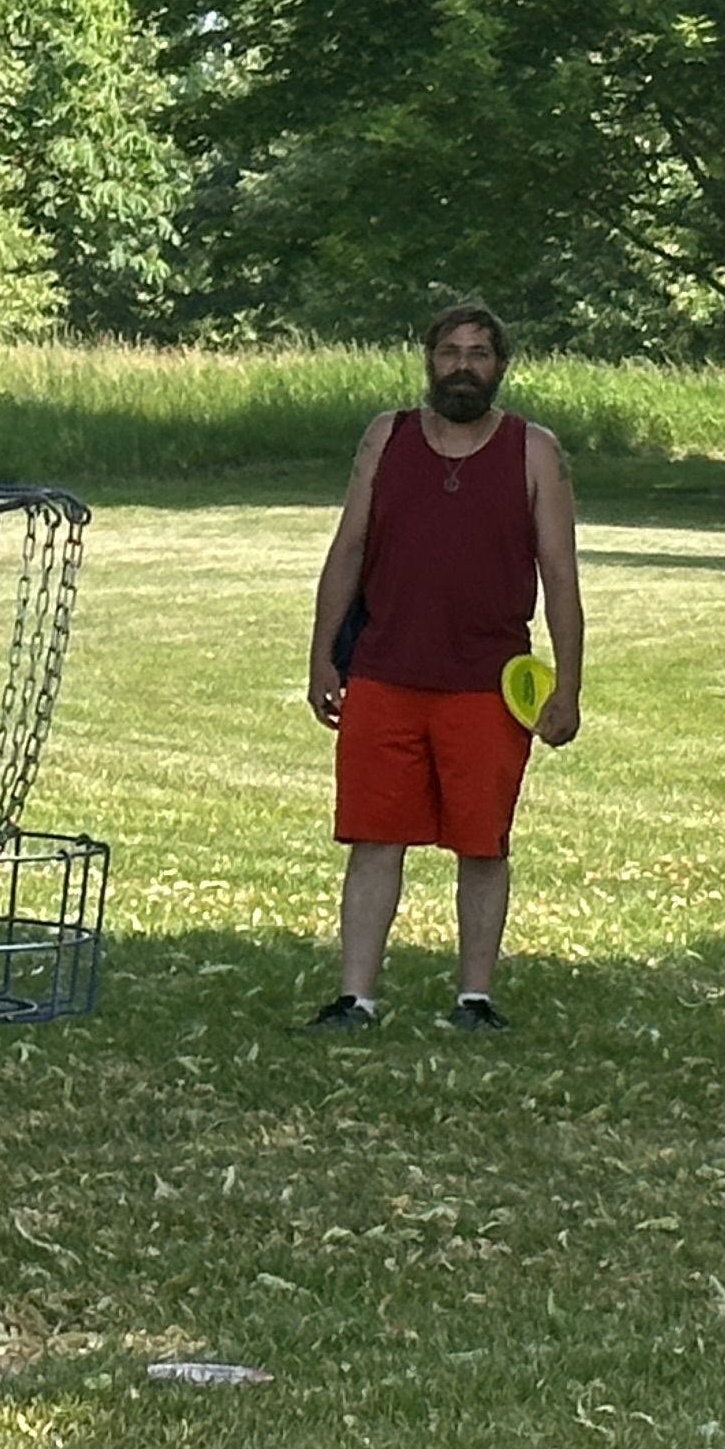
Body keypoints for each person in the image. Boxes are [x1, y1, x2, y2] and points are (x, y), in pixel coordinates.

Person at [302, 303, 584, 1027]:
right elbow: (349, 549)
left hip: (487, 685)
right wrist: (321, 658)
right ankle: (355, 996)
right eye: (451, 352)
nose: (464, 366)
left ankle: (475, 996)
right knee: (373, 838)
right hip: (382, 672)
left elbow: (560, 576)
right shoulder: (385, 438)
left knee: (482, 842)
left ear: (500, 366)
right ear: (429, 360)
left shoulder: (533, 451)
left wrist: (570, 687)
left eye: (479, 354)